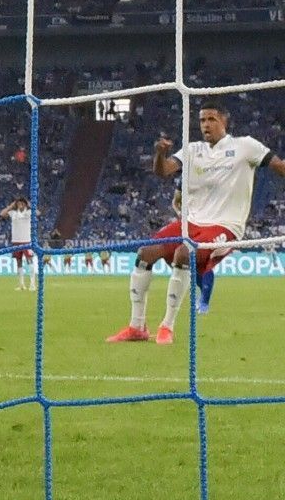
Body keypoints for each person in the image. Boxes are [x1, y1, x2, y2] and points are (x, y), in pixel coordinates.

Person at [108, 101, 285, 344]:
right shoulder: (192, 150)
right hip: (191, 222)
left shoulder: (245, 146)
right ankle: (137, 327)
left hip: (225, 226)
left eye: (211, 119)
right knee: (145, 253)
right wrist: (160, 154)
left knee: (184, 253)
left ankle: (166, 326)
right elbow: (164, 171)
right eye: (202, 120)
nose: (206, 125)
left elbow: (279, 166)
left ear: (225, 120)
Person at [0, 196, 35, 291]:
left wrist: (30, 204)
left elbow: (38, 213)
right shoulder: (13, 213)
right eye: (18, 203)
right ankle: (21, 284)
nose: (20, 205)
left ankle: (32, 283)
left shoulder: (29, 212)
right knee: (19, 262)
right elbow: (2, 214)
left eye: (22, 203)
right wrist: (10, 206)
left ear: (25, 204)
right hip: (16, 241)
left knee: (29, 261)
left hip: (26, 241)